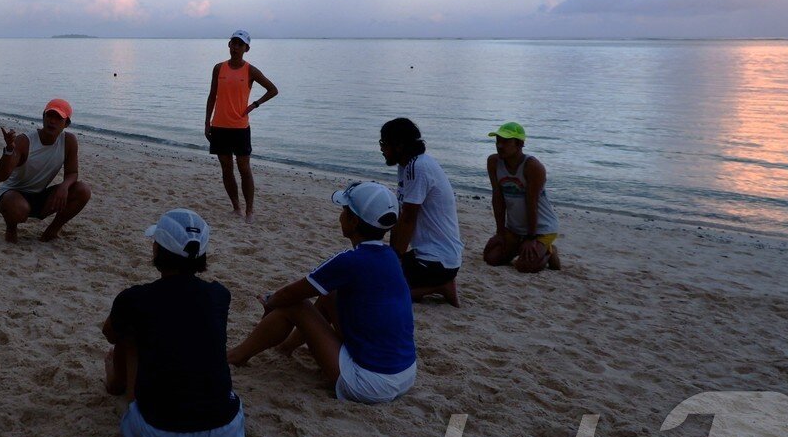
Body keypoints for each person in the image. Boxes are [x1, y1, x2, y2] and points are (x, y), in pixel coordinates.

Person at [228, 181, 417, 404]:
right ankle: (285, 347)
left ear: (353, 221)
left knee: (295, 305)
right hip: (405, 373)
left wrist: (270, 302)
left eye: (344, 211)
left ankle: (236, 356)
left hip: (369, 384)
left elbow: (291, 294)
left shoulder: (350, 261)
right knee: (330, 294)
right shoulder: (390, 256)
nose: (340, 216)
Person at [101, 209, 245, 437]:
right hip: (222, 432)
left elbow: (111, 334)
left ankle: (117, 383)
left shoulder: (135, 298)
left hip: (156, 433)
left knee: (128, 331)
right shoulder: (219, 295)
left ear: (157, 250)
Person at [379, 118, 463, 307]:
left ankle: (441, 286)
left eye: (384, 143)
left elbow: (408, 218)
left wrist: (396, 259)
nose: (381, 148)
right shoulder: (407, 166)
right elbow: (400, 216)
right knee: (380, 271)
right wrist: (393, 255)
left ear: (399, 146)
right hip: (429, 255)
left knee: (383, 291)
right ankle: (437, 284)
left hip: (437, 261)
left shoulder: (418, 167)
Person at [204, 30, 278, 223]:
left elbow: (273, 90)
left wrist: (255, 104)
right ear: (229, 45)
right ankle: (236, 207)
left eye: (240, 44)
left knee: (244, 168)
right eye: (233, 43)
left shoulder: (250, 70)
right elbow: (212, 96)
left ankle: (249, 210)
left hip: (240, 128)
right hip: (219, 126)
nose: (235, 47)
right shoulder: (218, 68)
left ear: (246, 48)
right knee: (226, 168)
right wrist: (207, 122)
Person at [0, 99, 92, 243]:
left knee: (83, 190)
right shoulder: (25, 141)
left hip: (40, 196)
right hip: (13, 194)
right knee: (17, 207)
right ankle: (11, 229)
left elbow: (72, 173)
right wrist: (9, 150)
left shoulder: (68, 141)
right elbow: (0, 176)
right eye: (49, 115)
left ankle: (51, 231)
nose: (52, 121)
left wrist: (64, 186)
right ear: (43, 117)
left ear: (66, 124)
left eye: (58, 118)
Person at [483, 122, 562, 272]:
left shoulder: (533, 166)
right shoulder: (493, 162)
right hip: (515, 228)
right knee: (491, 258)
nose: (499, 146)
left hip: (541, 228)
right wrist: (500, 232)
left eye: (505, 142)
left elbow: (531, 203)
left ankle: (549, 251)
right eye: (498, 141)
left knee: (525, 266)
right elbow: (497, 197)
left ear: (520, 144)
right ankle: (521, 246)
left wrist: (531, 238)